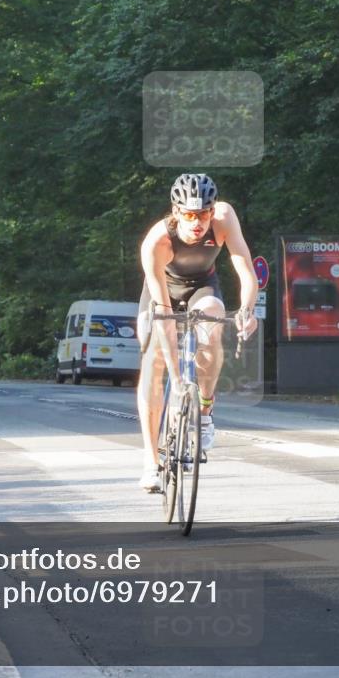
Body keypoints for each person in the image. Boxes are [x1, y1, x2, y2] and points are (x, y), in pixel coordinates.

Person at [136, 173, 258, 492]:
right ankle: (151, 462)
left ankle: (204, 412)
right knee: (154, 365)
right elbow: (162, 314)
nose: (197, 222)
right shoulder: (157, 242)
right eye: (189, 215)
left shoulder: (224, 218)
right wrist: (176, 380)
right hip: (163, 292)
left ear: (212, 209)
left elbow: (245, 268)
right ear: (176, 213)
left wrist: (247, 309)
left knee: (213, 323)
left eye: (203, 213)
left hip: (202, 286)